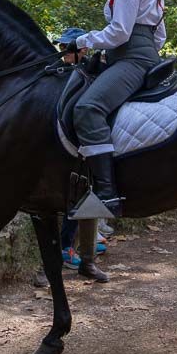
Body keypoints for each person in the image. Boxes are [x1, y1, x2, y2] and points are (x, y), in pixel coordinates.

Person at [66, 0, 167, 220]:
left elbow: (120, 32)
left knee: (87, 108)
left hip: (131, 60)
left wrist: (81, 41)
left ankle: (107, 195)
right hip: (143, 56)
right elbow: (159, 36)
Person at [55, 27, 109, 282]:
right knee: (73, 198)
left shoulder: (86, 70)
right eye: (62, 48)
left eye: (67, 48)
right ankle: (66, 248)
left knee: (83, 195)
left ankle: (83, 246)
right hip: (68, 148)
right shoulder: (66, 73)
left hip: (83, 148)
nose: (63, 53)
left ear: (82, 50)